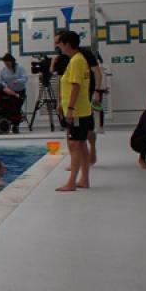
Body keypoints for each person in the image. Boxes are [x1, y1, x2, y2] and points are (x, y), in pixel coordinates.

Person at [56, 30, 92, 192]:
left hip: (76, 111)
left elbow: (76, 86)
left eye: (60, 44)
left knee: (75, 144)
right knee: (81, 144)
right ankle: (84, 179)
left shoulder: (76, 61)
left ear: (67, 44)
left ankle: (72, 182)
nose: (59, 47)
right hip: (80, 109)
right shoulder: (78, 59)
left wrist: (69, 109)